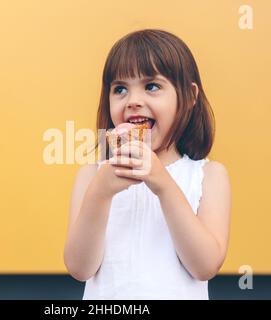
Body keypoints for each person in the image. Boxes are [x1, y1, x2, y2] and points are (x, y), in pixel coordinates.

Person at [64, 29, 231, 299]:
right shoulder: (91, 176)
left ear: (189, 97)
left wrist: (163, 184)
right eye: (120, 89)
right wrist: (101, 192)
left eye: (151, 86)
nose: (133, 101)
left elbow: (205, 266)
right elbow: (79, 268)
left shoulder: (208, 175)